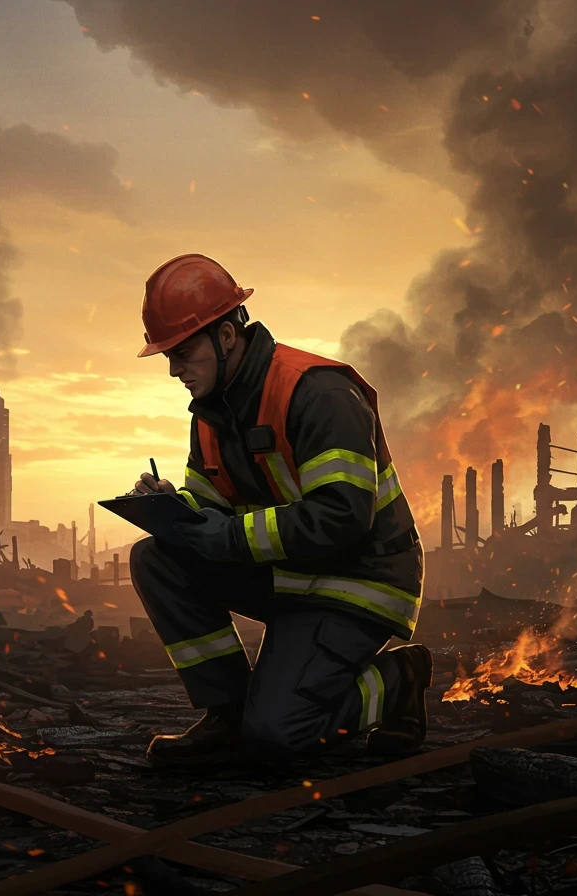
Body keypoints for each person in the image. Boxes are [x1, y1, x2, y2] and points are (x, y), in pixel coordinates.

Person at [128, 253, 429, 767]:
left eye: (183, 353)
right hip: (290, 575)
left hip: (358, 584)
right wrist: (174, 507)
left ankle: (399, 681)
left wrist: (229, 536)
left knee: (278, 734)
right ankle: (226, 715)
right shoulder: (211, 416)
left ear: (226, 336)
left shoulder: (319, 394)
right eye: (167, 357)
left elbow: (343, 517)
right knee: (156, 557)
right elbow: (211, 508)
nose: (175, 370)